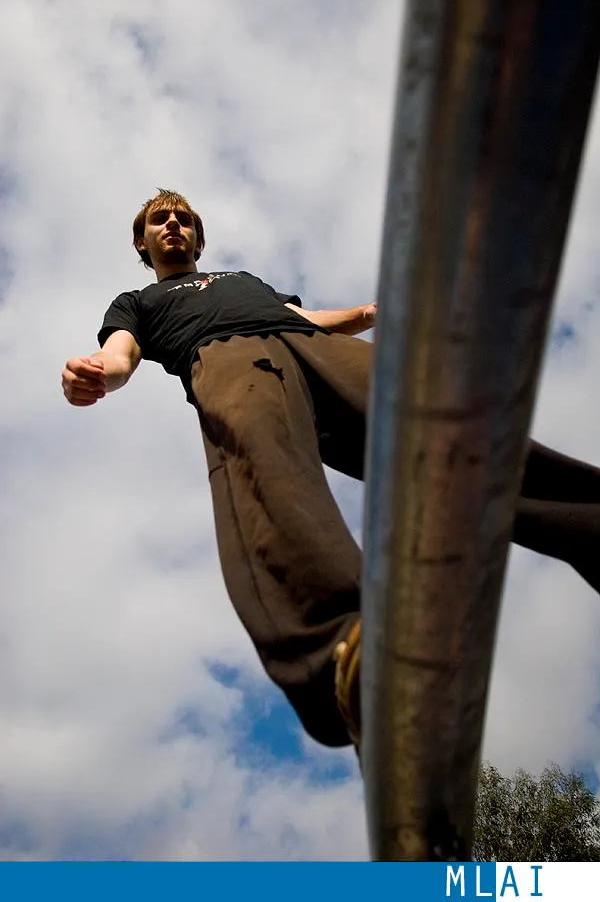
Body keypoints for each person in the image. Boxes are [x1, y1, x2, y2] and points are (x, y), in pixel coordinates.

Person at [62, 188, 600, 752]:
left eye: (183, 219)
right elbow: (122, 354)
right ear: (142, 242)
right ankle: (344, 652)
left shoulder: (242, 278)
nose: (173, 224)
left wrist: (366, 315)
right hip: (227, 358)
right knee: (266, 469)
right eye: (159, 220)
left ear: (198, 238)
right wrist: (97, 373)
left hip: (310, 344)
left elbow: (305, 318)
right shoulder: (136, 301)